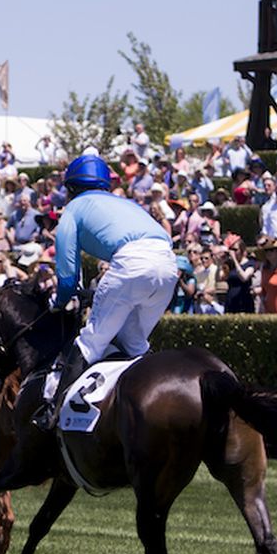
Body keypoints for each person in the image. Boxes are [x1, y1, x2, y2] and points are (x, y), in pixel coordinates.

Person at [35, 154, 179, 428]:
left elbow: (67, 278)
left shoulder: (73, 209)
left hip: (131, 264)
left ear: (71, 188)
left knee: (91, 342)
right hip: (168, 265)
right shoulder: (125, 203)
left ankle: (52, 412)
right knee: (134, 343)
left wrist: (58, 302)